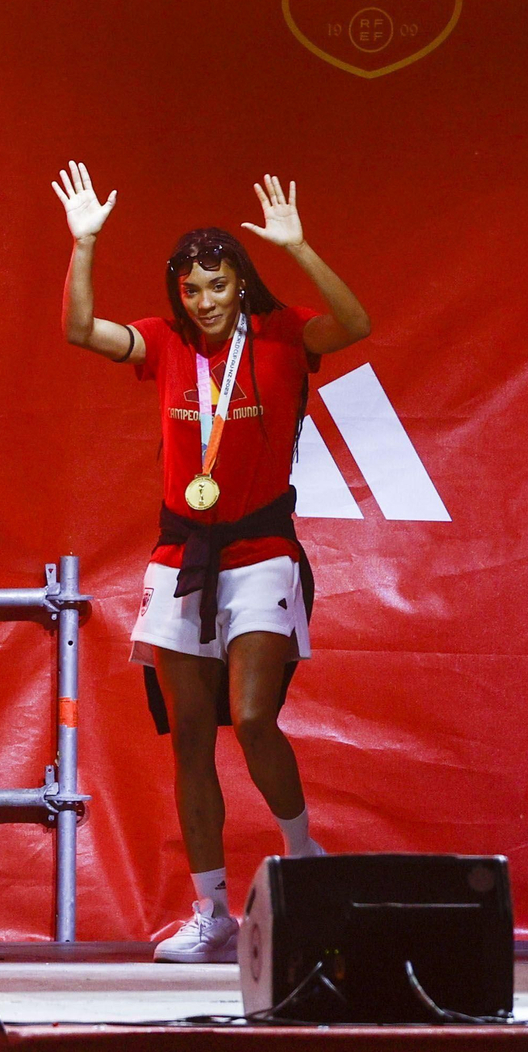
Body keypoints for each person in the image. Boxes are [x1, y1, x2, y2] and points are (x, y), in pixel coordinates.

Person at [54, 161, 370, 962]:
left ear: (241, 282)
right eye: (192, 290)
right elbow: (79, 331)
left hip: (262, 554)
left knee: (255, 716)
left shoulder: (286, 335)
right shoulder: (164, 346)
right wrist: (84, 245)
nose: (205, 301)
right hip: (179, 559)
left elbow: (356, 321)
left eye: (218, 286)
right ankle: (212, 914)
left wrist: (299, 247)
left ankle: (304, 864)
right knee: (190, 737)